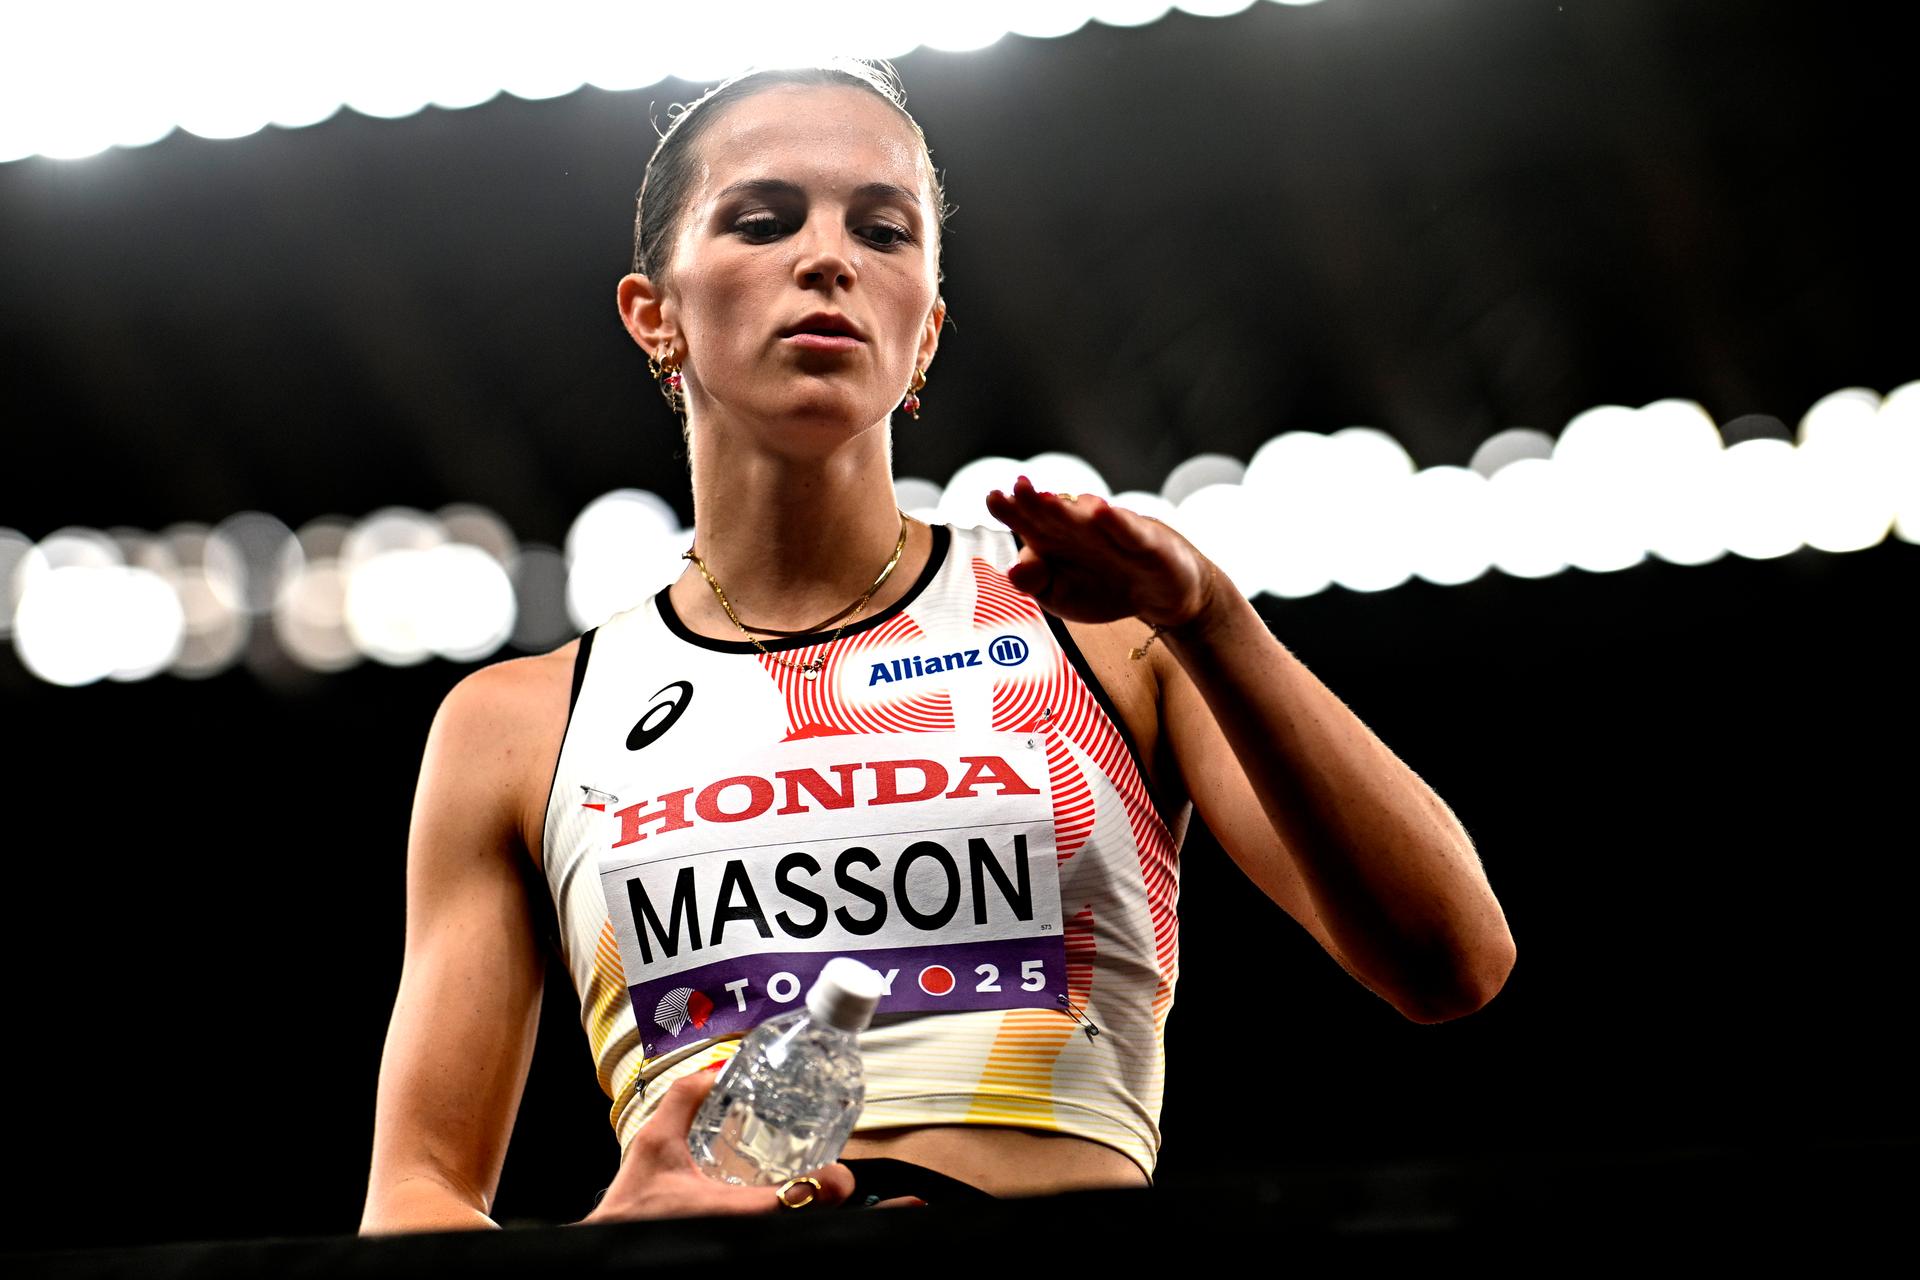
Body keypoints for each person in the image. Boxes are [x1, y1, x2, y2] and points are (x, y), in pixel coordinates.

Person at [359, 59, 1515, 1231]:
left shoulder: (1107, 634)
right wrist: (599, 1254)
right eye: (764, 220)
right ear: (654, 312)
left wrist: (1213, 617)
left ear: (925, 336)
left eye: (883, 229)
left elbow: (1450, 961)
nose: (829, 258)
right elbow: (412, 1198)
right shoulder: (520, 723)